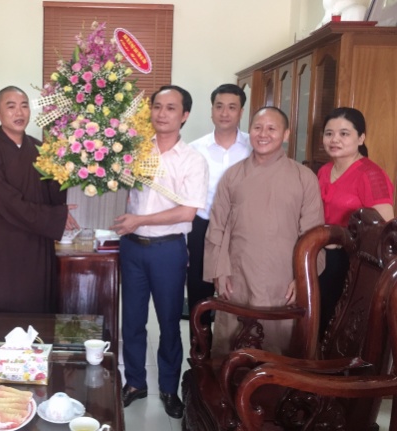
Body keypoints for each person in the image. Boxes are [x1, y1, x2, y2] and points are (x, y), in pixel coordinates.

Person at [111, 85, 208, 419]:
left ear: (184, 116)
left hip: (167, 250)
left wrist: (141, 219)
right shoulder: (136, 150)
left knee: (169, 323)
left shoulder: (193, 160)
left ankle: (168, 387)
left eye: (170, 108)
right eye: (157, 107)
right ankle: (135, 382)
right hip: (132, 248)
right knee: (133, 321)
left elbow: (187, 213)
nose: (162, 114)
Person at [204, 106, 324, 355]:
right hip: (237, 275)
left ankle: (277, 393)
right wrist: (219, 270)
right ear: (250, 131)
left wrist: (301, 279)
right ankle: (227, 391)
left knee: (277, 343)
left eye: (272, 128)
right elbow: (217, 226)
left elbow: (314, 235)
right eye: (258, 128)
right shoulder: (233, 175)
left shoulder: (304, 177)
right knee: (232, 345)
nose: (263, 134)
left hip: (282, 279)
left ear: (286, 134)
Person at [0, 86, 78, 313]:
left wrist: (74, 164)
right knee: (7, 315)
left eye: (24, 106)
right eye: (10, 107)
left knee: (41, 311)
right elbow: (6, 203)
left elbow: (55, 195)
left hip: (39, 245)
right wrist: (57, 216)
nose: (19, 113)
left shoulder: (42, 149)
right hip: (5, 246)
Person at [317, 107, 394, 335]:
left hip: (351, 262)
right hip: (321, 256)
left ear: (361, 138)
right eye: (329, 133)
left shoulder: (371, 175)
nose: (335, 140)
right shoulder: (323, 170)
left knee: (336, 323)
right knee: (316, 318)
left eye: (344, 133)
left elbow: (384, 227)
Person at [188, 84, 251, 328]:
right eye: (219, 106)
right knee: (198, 293)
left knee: (238, 292)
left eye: (232, 107)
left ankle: (235, 356)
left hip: (242, 229)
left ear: (241, 112)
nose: (225, 113)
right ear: (211, 110)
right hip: (202, 227)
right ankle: (199, 358)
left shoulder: (254, 146)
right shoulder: (195, 149)